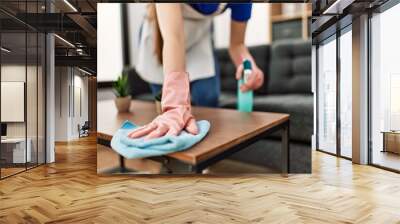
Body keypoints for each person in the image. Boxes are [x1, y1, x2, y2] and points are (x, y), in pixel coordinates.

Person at [129, 3, 264, 140]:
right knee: (166, 104)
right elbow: (174, 38)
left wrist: (248, 64)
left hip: (198, 35)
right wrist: (175, 106)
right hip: (162, 37)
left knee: (208, 96)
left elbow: (237, 45)